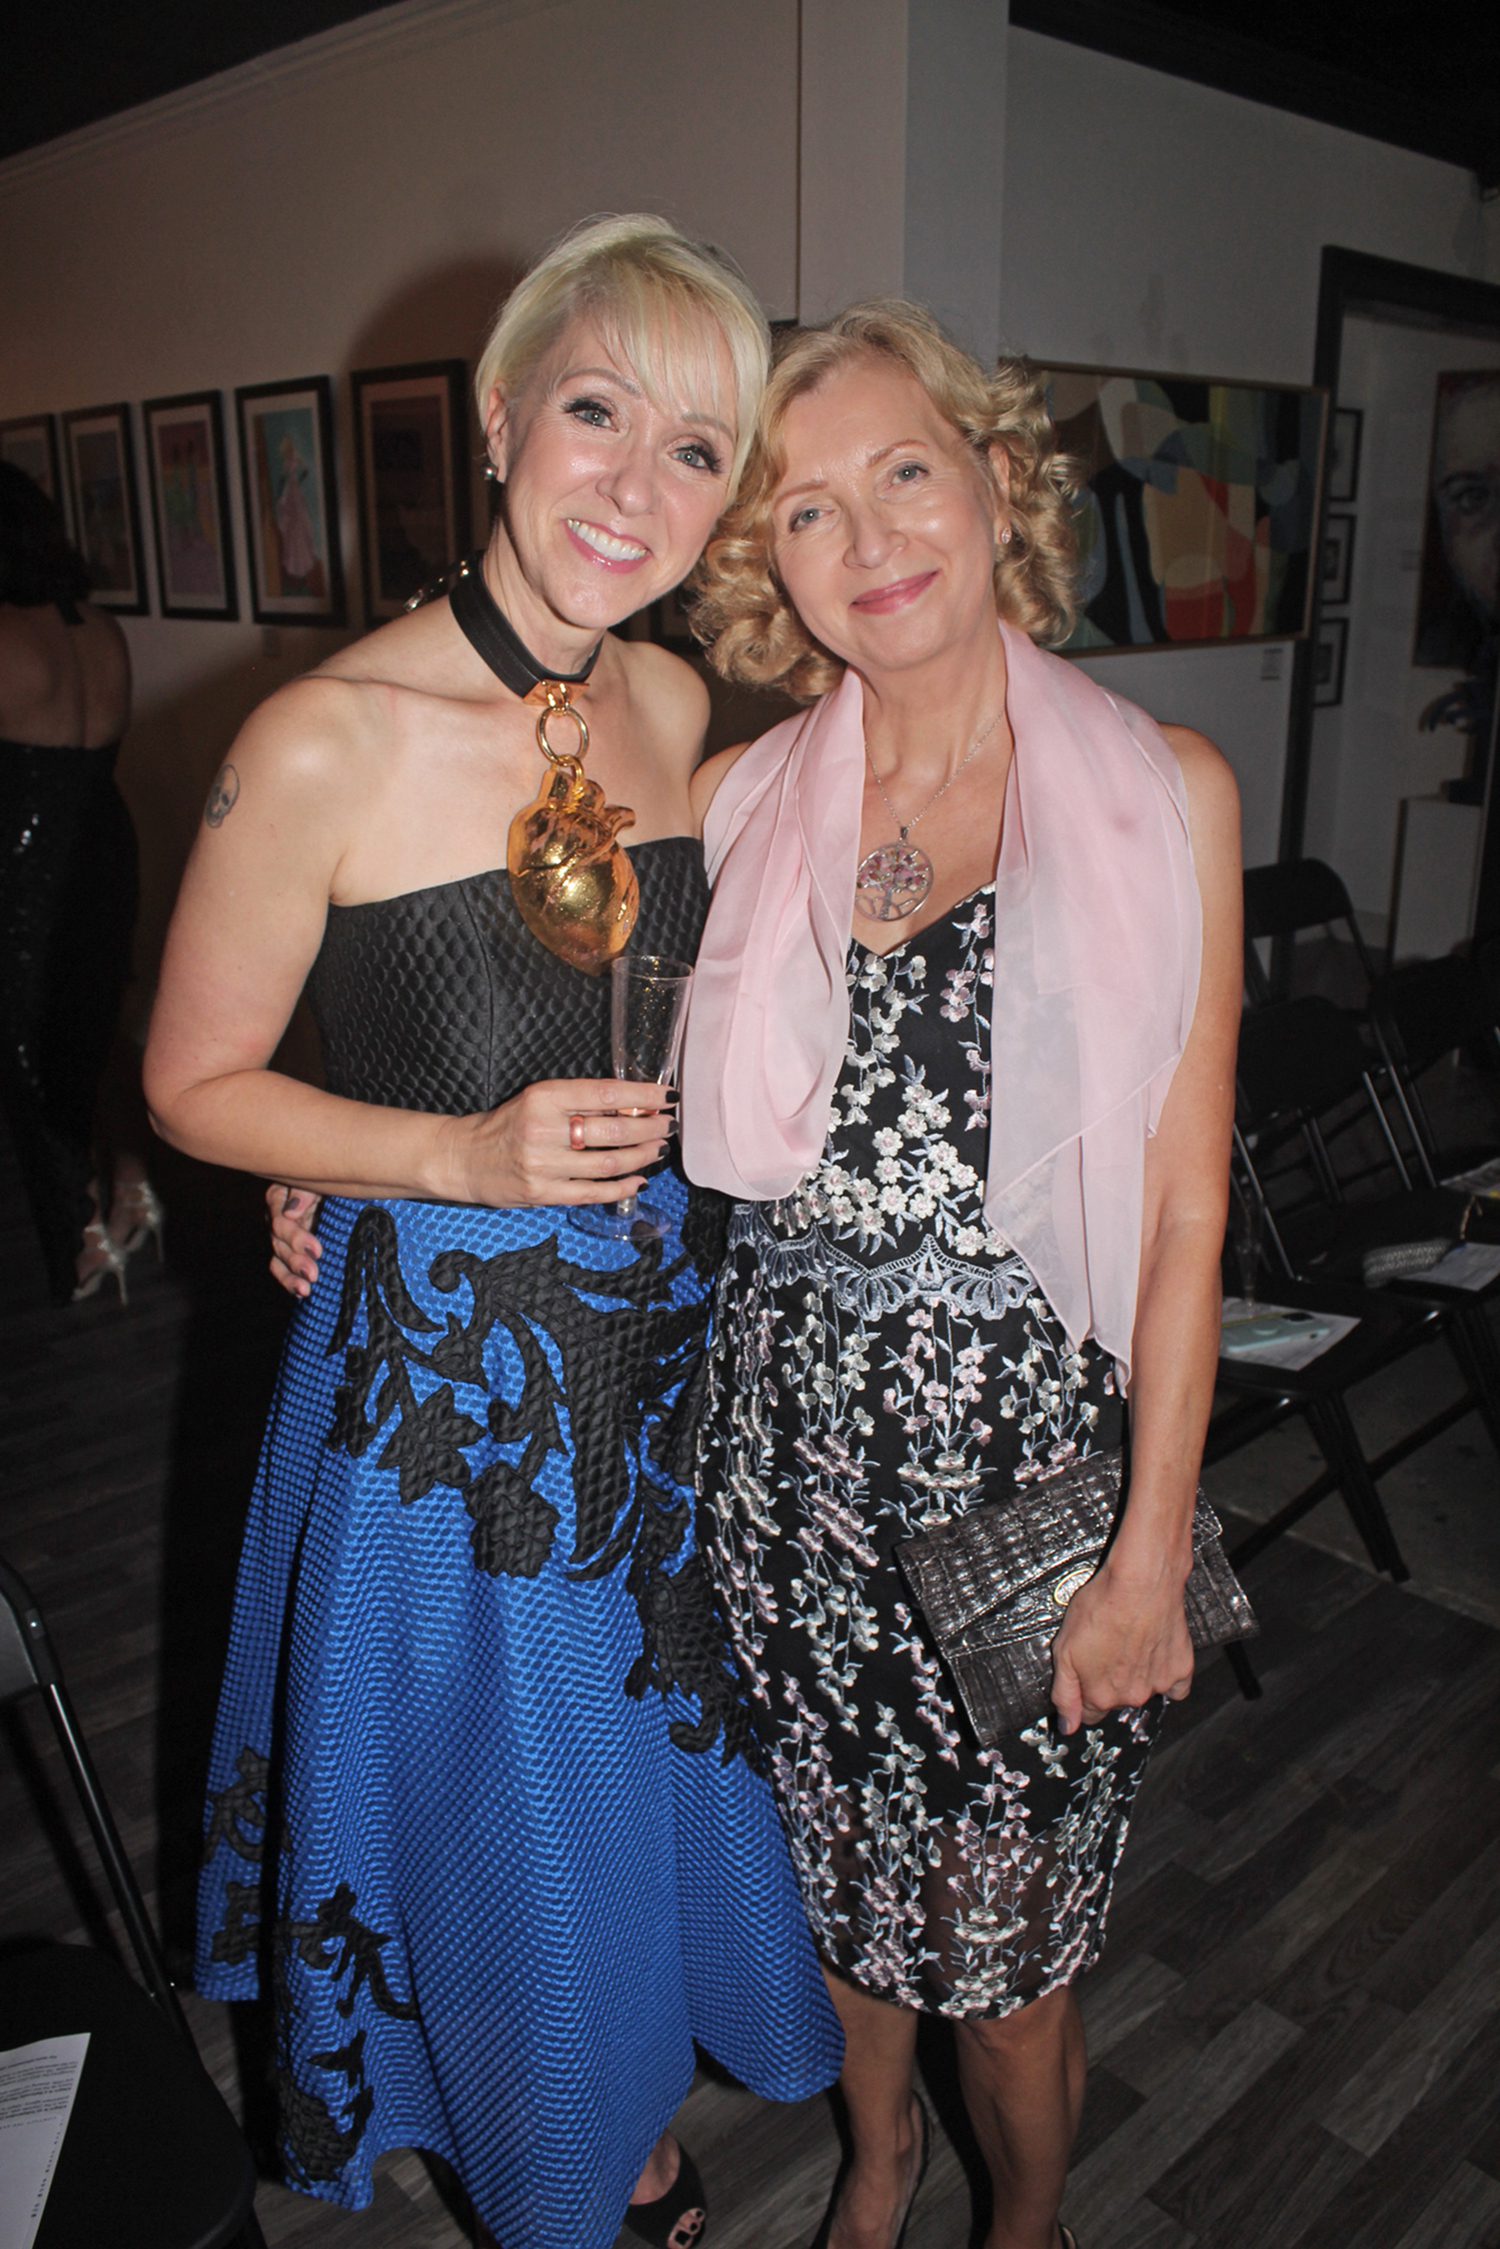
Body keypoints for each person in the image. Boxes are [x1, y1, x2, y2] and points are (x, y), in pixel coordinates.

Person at [144, 216, 841, 2249]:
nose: (637, 484)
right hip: (450, 1412)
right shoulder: (320, 737)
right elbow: (189, 1081)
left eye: (698, 449)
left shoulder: (676, 702)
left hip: (663, 1374)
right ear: (501, 414)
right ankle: (567, 2164)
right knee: (506, 1818)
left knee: (626, 1783)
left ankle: (612, 2129)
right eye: (600, 412)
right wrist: (434, 1156)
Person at [678, 303, 1241, 2249]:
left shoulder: (1165, 787)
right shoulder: (745, 800)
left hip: (1031, 1503)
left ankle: (1026, 2219)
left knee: (1006, 1969)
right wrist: (353, 1177)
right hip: (785, 1487)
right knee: (837, 1900)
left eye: (904, 470)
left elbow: (1185, 1214)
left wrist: (1150, 1549)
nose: (869, 536)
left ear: (996, 482)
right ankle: (876, 2158)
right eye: (805, 508)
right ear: (769, 565)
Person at [0, 460, 159, 1304]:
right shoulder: (100, 627)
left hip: (25, 856)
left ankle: (81, 1231)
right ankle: (134, 1188)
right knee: (101, 1029)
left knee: (29, 1051)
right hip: (103, 843)